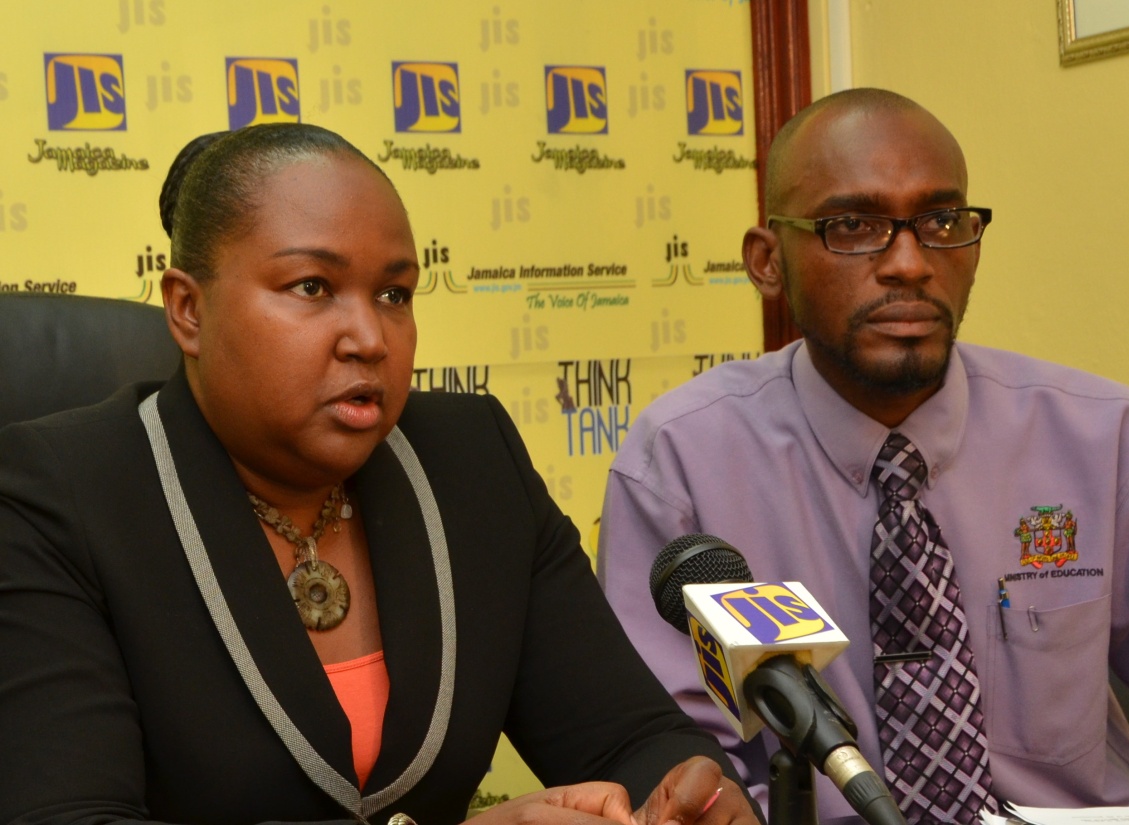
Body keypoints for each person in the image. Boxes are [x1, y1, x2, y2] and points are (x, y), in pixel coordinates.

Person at [0, 123, 761, 825]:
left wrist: (687, 788)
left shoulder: (471, 460)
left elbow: (624, 734)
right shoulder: (55, 496)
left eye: (394, 293)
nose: (369, 336)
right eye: (312, 287)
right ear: (188, 309)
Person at [597, 88, 1129, 822]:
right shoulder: (682, 465)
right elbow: (670, 751)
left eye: (942, 221)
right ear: (767, 262)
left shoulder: (1115, 446)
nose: (910, 263)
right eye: (853, 225)